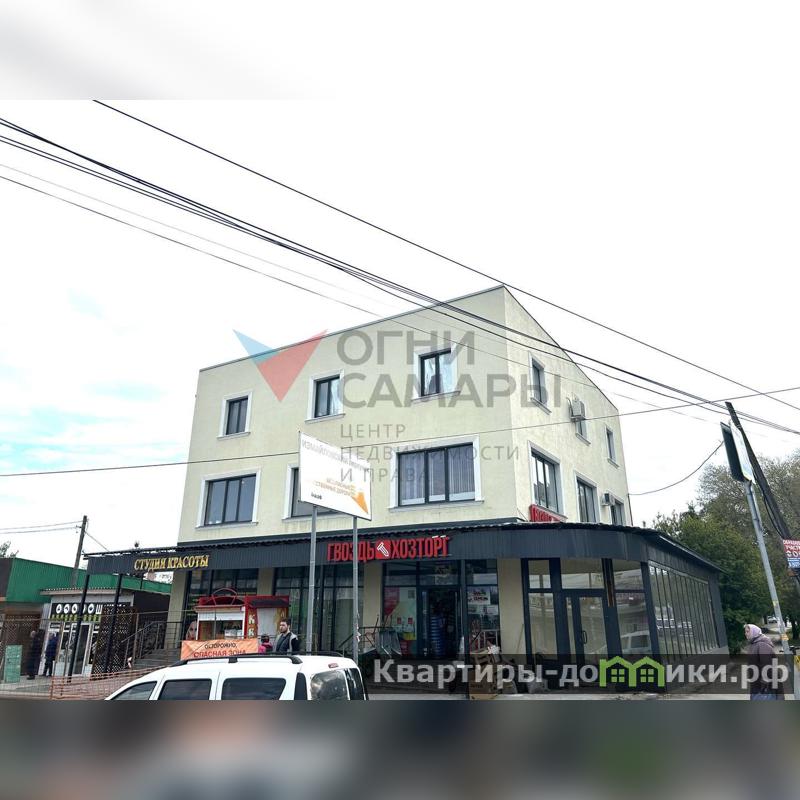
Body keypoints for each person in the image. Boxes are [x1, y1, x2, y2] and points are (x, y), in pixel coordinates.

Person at [744, 623, 782, 700]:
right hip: (758, 686)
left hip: (764, 689)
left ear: (754, 632)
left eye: (748, 631)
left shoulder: (762, 645)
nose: (745, 633)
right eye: (745, 632)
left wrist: (764, 685)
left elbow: (767, 666)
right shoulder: (754, 644)